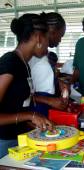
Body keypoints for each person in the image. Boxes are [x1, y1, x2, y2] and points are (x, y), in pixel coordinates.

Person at [0, 13, 54, 158]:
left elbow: (16, 106)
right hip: (4, 141)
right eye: (48, 39)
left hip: (18, 139)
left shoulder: (24, 64)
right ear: (38, 38)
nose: (48, 45)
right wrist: (30, 115)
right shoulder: (10, 62)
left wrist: (35, 123)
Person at [29, 12, 67, 117]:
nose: (60, 40)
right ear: (52, 32)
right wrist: (49, 100)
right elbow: (21, 95)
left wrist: (58, 82)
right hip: (35, 114)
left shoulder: (44, 56)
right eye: (61, 35)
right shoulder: (32, 59)